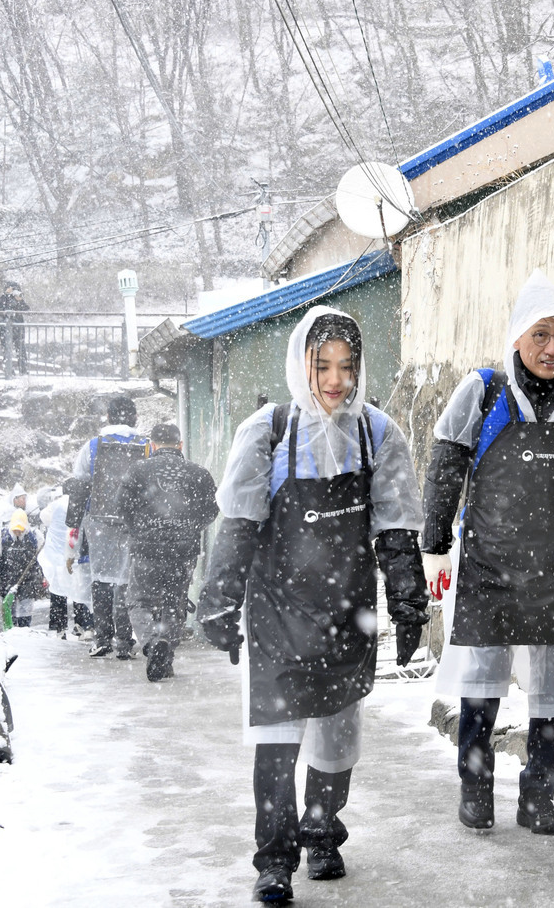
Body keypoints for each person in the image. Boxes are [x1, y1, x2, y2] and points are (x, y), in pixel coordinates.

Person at [196, 306, 428, 903]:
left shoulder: (378, 435)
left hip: (347, 609)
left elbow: (396, 531)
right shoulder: (267, 432)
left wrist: (407, 604)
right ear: (302, 365)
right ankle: (274, 859)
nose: (335, 379)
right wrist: (220, 601)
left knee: (336, 738)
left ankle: (323, 830)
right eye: (321, 365)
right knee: (276, 743)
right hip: (276, 611)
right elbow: (240, 524)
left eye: (347, 366)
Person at [421, 270, 554, 836]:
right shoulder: (484, 391)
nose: (552, 348)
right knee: (480, 688)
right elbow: (447, 461)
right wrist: (435, 543)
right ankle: (476, 790)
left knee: (550, 697)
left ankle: (538, 798)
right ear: (518, 336)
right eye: (540, 334)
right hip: (488, 566)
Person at [113, 422, 218, 681]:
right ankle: (166, 654)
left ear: (152, 446)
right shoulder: (199, 473)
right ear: (180, 445)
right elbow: (211, 509)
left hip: (147, 547)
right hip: (183, 550)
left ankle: (150, 643)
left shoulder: (138, 470)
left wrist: (138, 528)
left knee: (138, 601)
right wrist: (190, 528)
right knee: (175, 603)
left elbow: (121, 506)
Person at [65, 395, 149, 659]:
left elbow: (78, 490)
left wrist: (72, 535)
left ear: (109, 417)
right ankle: (125, 641)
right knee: (127, 580)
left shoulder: (92, 446)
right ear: (134, 418)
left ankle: (102, 638)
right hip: (133, 524)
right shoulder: (147, 446)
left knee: (100, 579)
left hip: (99, 523)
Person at [37, 488, 92, 637]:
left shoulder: (55, 505)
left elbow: (44, 518)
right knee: (78, 590)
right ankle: (81, 624)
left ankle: (59, 627)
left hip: (55, 555)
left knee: (57, 591)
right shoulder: (82, 503)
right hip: (74, 553)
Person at [0, 509, 41, 627]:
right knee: (8, 607)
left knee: (26, 607)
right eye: (15, 530)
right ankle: (10, 628)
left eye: (20, 529)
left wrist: (41, 575)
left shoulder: (34, 537)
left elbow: (41, 559)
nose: (18, 532)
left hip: (28, 578)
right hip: (6, 578)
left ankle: (25, 628)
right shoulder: (2, 535)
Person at [0, 279, 30, 374]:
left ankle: (23, 370)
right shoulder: (3, 299)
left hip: (18, 329)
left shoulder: (18, 299)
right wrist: (6, 295)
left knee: (21, 350)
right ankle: (9, 371)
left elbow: (26, 308)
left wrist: (20, 299)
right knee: (6, 350)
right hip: (4, 329)